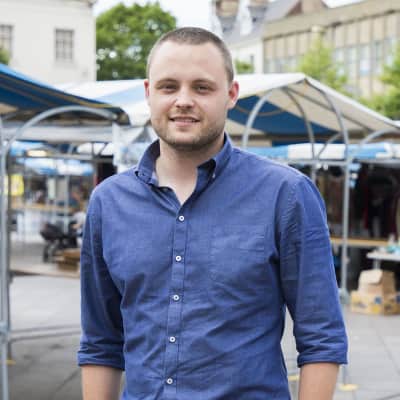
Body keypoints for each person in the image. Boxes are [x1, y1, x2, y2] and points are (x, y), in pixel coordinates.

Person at [78, 27, 347, 400]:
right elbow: (100, 341)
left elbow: (322, 337)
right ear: (148, 93)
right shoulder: (108, 202)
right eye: (169, 86)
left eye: (202, 88)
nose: (183, 100)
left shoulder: (286, 195)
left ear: (231, 94)